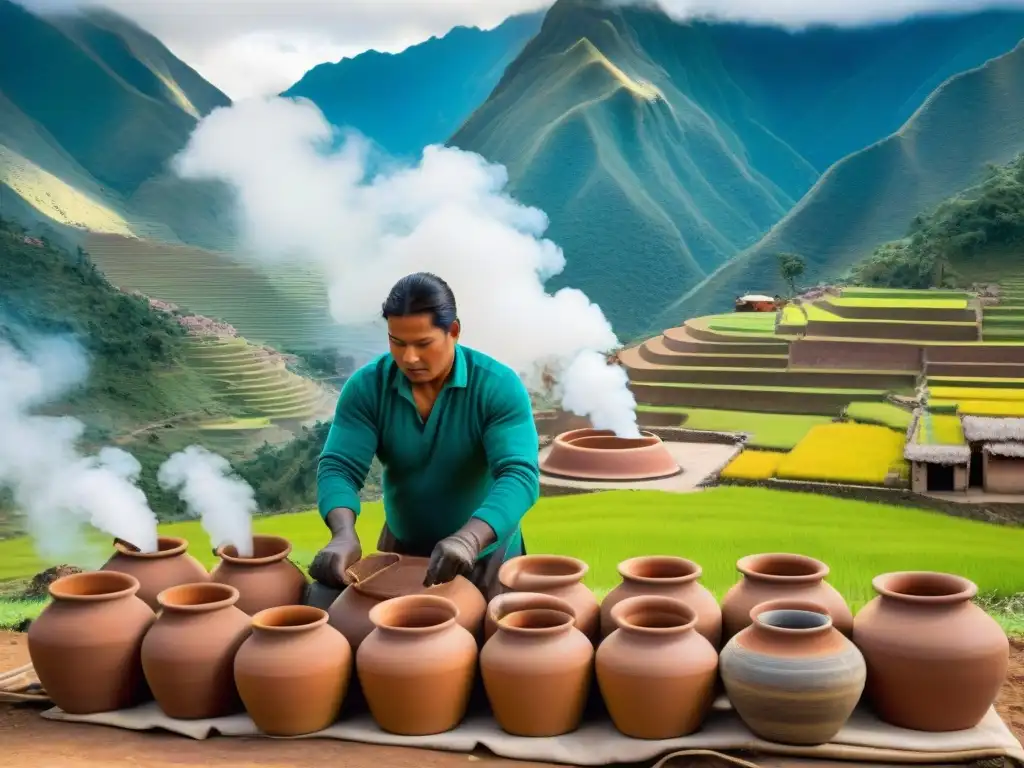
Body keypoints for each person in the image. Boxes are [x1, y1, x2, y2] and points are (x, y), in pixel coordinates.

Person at [306, 272, 540, 608]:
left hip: (487, 553)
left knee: (487, 647)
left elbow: (519, 475)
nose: (409, 358)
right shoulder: (367, 387)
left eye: (423, 343)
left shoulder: (497, 386)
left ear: (454, 331)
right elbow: (339, 466)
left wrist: (470, 539)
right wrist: (342, 533)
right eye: (397, 343)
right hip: (401, 547)